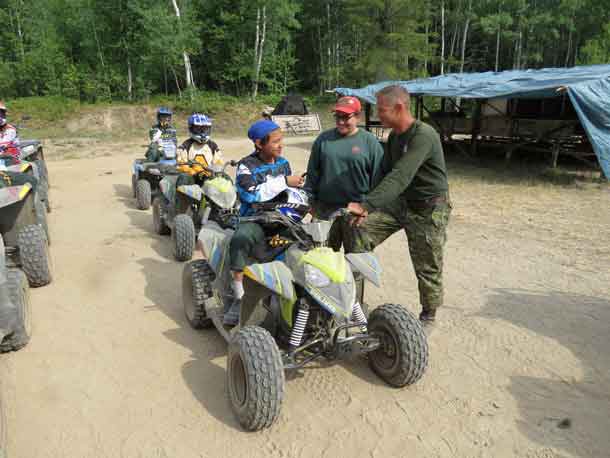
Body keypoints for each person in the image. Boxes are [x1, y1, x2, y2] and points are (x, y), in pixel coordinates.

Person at [346, 85, 451, 326]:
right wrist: (365, 206)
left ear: (400, 108)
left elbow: (401, 176)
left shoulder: (424, 135)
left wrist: (367, 205)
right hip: (402, 202)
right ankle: (354, 300)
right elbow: (383, 174)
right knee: (359, 230)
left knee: (427, 263)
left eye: (382, 110)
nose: (378, 115)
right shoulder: (394, 137)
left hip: (429, 207)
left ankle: (428, 315)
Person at [223, 120, 304, 326]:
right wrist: (284, 182)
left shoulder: (283, 163)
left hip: (282, 218)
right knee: (241, 238)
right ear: (259, 143)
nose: (280, 145)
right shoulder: (246, 166)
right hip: (254, 219)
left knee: (306, 240)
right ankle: (238, 295)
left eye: (281, 140)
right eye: (275, 141)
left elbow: (288, 194)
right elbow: (251, 195)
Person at [305, 96, 384, 250]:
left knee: (357, 261)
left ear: (358, 116)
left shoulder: (370, 142)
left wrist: (369, 207)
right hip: (324, 211)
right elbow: (312, 173)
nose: (341, 121)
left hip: (356, 213)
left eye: (346, 117)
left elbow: (378, 179)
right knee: (322, 260)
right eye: (337, 117)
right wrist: (310, 203)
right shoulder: (323, 140)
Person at [175, 113, 223, 187]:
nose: (203, 132)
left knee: (226, 177)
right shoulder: (186, 145)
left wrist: (213, 172)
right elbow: (182, 164)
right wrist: (194, 172)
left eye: (205, 129)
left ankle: (235, 198)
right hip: (193, 177)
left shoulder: (213, 146)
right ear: (191, 128)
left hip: (210, 176)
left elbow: (218, 162)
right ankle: (180, 198)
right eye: (199, 129)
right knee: (183, 178)